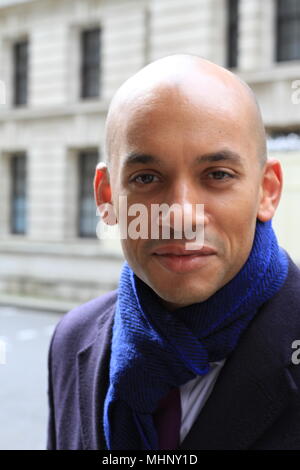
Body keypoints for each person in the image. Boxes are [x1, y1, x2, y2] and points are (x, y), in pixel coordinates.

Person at [46, 54, 300, 450]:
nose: (181, 215)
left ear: (267, 191)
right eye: (146, 178)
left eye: (217, 175)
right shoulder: (71, 339)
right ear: (107, 197)